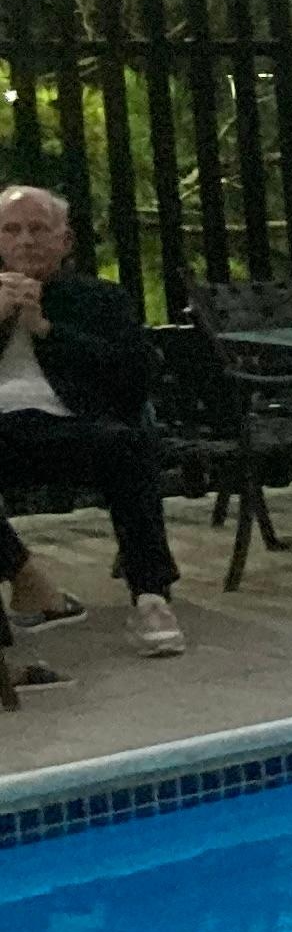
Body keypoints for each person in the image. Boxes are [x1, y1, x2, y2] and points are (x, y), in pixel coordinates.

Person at [0, 185, 185, 658]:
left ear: (64, 241)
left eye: (38, 229)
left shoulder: (100, 299)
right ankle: (25, 575)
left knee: (129, 445)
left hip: (74, 428)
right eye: (11, 230)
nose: (25, 240)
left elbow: (134, 380)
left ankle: (151, 596)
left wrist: (47, 329)